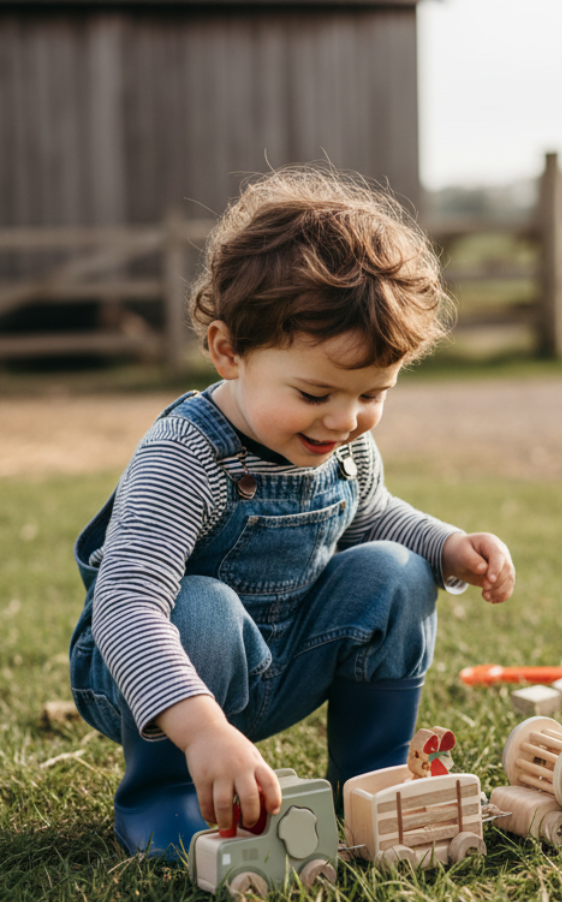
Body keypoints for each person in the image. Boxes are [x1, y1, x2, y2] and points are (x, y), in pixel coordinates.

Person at [68, 165, 515, 858]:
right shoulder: (185, 455)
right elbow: (128, 605)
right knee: (203, 605)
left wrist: (448, 545)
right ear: (229, 352)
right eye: (314, 394)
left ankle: (368, 783)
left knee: (396, 569)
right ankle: (163, 796)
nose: (344, 419)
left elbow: (372, 517)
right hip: (150, 683)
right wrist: (204, 730)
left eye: (372, 393)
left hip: (280, 660)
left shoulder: (342, 446)